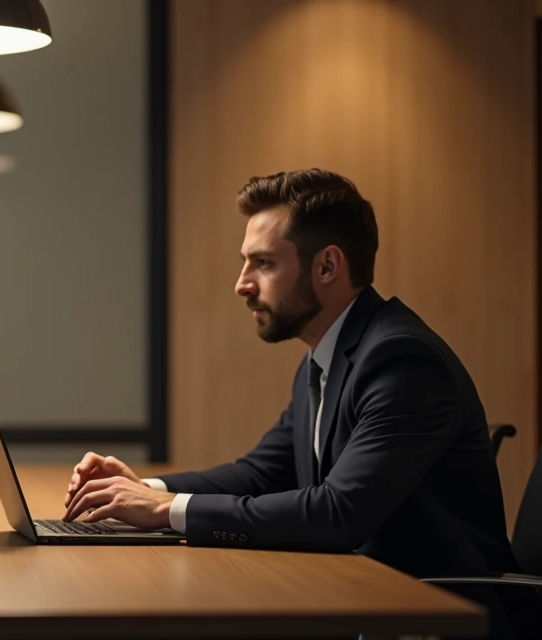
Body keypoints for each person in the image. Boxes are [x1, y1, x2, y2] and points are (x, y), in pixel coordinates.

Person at [62, 169, 539, 639]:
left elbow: (339, 513)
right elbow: (262, 473)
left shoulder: (401, 360)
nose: (242, 284)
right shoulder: (325, 358)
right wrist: (140, 489)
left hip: (441, 617)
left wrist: (168, 509)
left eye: (264, 263)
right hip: (367, 600)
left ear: (327, 266)